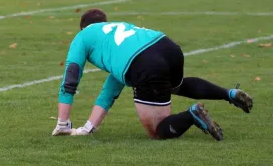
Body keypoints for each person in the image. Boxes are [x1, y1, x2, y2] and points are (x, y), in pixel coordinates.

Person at [52, 9, 253, 141]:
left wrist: (63, 125)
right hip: (167, 46)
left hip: (143, 61)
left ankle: (192, 114)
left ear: (83, 28)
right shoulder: (113, 37)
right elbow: (110, 91)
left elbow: (70, 80)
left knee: (157, 131)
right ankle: (229, 94)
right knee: (176, 85)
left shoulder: (83, 37)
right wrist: (88, 128)